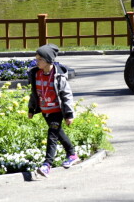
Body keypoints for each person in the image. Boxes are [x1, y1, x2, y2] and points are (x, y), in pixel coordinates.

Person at [28, 44, 79, 177]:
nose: (36, 62)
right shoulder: (36, 74)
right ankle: (72, 154)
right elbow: (34, 93)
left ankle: (47, 165)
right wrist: (31, 109)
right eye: (36, 59)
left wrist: (69, 114)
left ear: (48, 60)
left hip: (56, 111)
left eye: (40, 59)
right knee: (59, 133)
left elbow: (66, 96)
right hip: (45, 111)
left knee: (52, 136)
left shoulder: (59, 77)